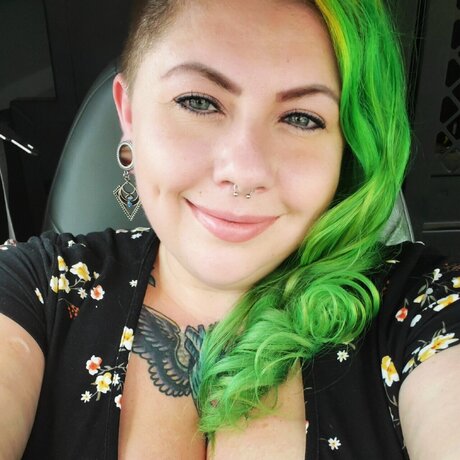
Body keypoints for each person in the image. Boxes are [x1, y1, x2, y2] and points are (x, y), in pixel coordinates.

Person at [1, 0, 459, 458]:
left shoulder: (415, 303)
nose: (244, 171)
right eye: (198, 102)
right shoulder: (36, 287)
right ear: (130, 114)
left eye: (302, 118)